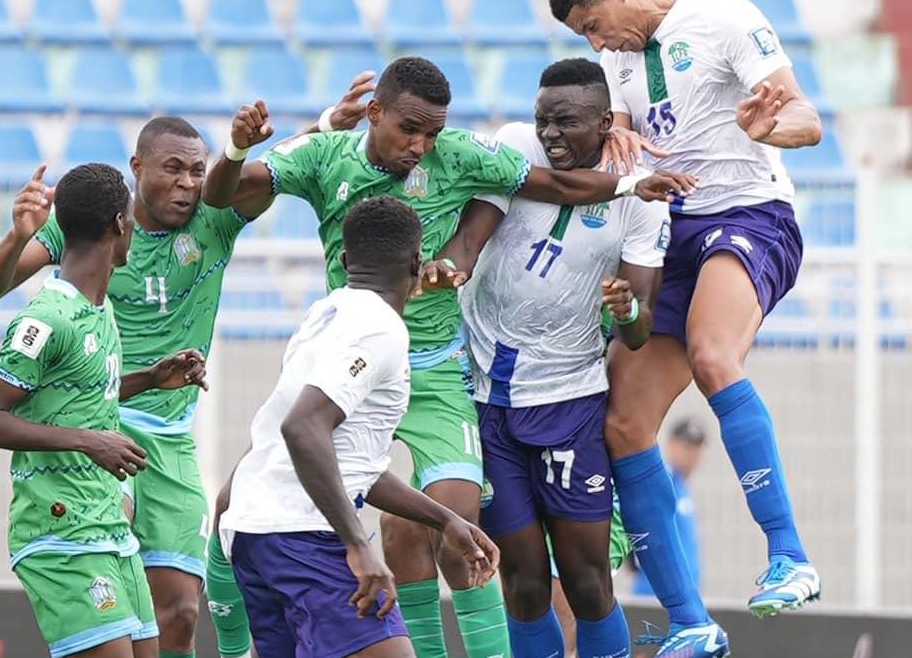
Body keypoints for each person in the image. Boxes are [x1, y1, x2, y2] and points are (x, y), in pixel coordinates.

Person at [203, 56, 695, 658]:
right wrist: (232, 150)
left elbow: (556, 184)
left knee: (459, 523)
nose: (421, 145)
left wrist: (627, 185)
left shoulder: (459, 156)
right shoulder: (325, 159)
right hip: (355, 362)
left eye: (432, 133)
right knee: (260, 502)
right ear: (375, 113)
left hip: (437, 368)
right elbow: (223, 195)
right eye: (410, 129)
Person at [0, 79, 372, 658]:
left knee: (181, 611)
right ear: (137, 167)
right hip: (100, 426)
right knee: (107, 583)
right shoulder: (89, 229)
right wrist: (17, 236)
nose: (187, 184)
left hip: (171, 435)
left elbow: (270, 172)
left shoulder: (216, 217)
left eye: (196, 171)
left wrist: (326, 126)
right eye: (173, 169)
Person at [550, 0, 824, 656]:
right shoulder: (616, 60)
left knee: (710, 352)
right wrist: (611, 134)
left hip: (748, 215)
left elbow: (805, 118)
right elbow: (620, 136)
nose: (595, 42)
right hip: (667, 232)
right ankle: (688, 621)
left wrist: (768, 129)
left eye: (592, 23)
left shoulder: (725, 17)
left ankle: (788, 555)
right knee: (623, 423)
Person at [422, 59, 671, 658]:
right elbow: (471, 237)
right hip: (486, 400)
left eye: (566, 122)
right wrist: (449, 265)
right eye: (543, 121)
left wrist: (624, 310)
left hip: (570, 401)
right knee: (524, 585)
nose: (550, 134)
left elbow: (639, 329)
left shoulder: (641, 192)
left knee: (587, 584)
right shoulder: (512, 147)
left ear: (605, 121)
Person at [220, 196, 499, 658]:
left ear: (345, 260)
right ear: (417, 261)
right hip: (303, 537)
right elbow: (302, 427)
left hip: (257, 533)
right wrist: (359, 547)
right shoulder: (379, 329)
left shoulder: (325, 313)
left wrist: (444, 518)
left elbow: (350, 462)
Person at [0, 162, 210, 658]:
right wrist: (90, 442)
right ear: (118, 226)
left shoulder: (100, 308)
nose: (136, 226)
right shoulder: (47, 318)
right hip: (60, 530)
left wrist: (149, 379)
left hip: (109, 527)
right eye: (131, 218)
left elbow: (79, 398)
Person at [628, 419, 707, 599]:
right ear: (672, 444)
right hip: (656, 596)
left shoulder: (682, 487)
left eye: (697, 449)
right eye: (687, 447)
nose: (693, 455)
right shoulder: (662, 482)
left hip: (686, 596)